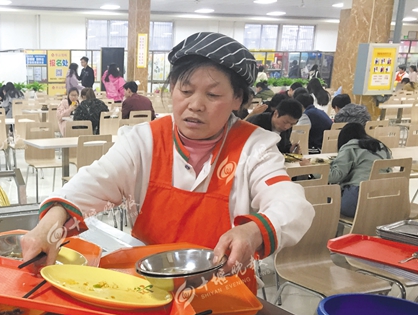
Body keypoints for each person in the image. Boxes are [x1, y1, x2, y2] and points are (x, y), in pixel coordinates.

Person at [21, 32, 314, 279]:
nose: (195, 105)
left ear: (238, 99)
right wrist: (50, 224)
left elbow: (292, 205)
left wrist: (253, 232)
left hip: (224, 293)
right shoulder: (143, 140)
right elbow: (91, 183)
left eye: (213, 95)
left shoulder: (255, 147)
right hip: (148, 289)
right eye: (185, 90)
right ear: (172, 89)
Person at [302, 123, 392, 217]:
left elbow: (335, 176)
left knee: (322, 201)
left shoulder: (350, 147)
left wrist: (310, 168)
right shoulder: (380, 147)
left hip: (357, 201)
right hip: (383, 200)